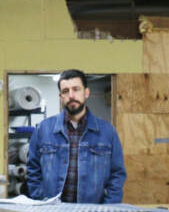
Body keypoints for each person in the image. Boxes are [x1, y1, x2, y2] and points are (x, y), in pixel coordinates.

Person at [25, 69, 126, 204]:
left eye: (76, 89)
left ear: (86, 93)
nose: (71, 95)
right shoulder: (43, 129)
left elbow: (117, 175)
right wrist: (42, 201)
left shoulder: (107, 132)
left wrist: (109, 208)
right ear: (60, 96)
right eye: (66, 91)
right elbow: (33, 170)